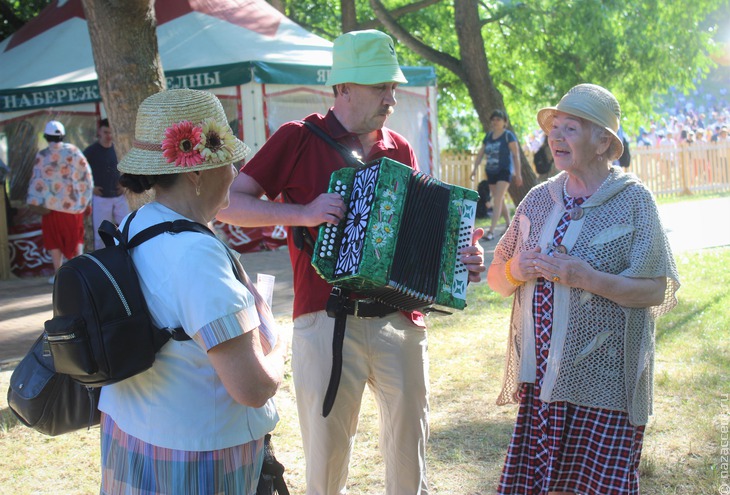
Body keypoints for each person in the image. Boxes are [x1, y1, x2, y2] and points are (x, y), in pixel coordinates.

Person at [218, 29, 486, 494]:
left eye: (393, 86)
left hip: (399, 321)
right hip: (325, 319)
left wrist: (461, 259)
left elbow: (417, 232)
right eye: (381, 86)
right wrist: (302, 212)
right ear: (343, 88)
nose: (392, 97)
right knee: (326, 460)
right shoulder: (297, 138)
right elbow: (228, 204)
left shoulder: (398, 147)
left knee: (410, 455)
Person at [487, 83, 680, 494]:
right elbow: (497, 279)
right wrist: (518, 268)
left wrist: (586, 278)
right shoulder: (538, 200)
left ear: (602, 143)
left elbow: (655, 290)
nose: (555, 136)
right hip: (543, 383)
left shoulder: (633, 202)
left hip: (605, 384)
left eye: (570, 128)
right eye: (554, 127)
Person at [98, 89, 288, 494]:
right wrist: (280, 347)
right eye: (229, 163)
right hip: (196, 458)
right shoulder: (197, 256)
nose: (236, 174)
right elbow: (252, 389)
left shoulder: (138, 224)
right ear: (197, 173)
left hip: (134, 436)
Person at [26, 120, 93, 283]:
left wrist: (35, 200)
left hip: (50, 208)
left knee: (53, 240)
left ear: (46, 136)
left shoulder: (42, 156)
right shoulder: (74, 151)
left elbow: (36, 180)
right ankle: (81, 273)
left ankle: (59, 274)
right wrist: (85, 200)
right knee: (76, 239)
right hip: (73, 207)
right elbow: (86, 176)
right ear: (62, 135)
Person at [470, 109, 523, 241]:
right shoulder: (488, 136)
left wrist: (519, 173)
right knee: (499, 199)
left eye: (498, 119)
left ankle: (491, 231)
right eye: (493, 119)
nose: (495, 122)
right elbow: (481, 154)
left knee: (497, 198)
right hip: (491, 171)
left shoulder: (508, 136)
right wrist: (474, 169)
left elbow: (516, 155)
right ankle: (509, 225)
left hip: (504, 171)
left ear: (505, 122)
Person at [84, 118, 130, 249]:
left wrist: (124, 184)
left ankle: (127, 255)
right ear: (99, 131)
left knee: (126, 227)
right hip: (101, 198)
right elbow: (79, 172)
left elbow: (127, 167)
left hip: (120, 197)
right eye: (105, 132)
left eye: (110, 132)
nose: (108, 136)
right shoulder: (90, 151)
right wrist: (90, 188)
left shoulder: (119, 149)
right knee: (101, 233)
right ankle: (102, 263)